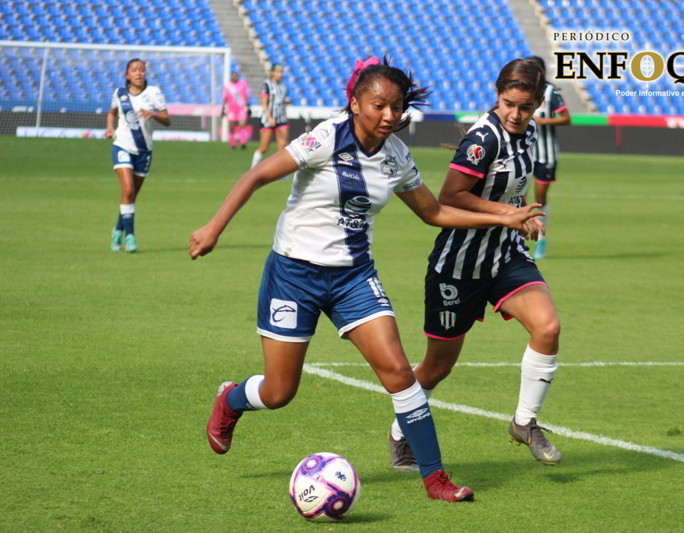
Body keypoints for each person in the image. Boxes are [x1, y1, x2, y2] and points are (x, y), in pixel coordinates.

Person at [189, 57, 543, 503]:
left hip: (354, 278)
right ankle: (232, 399)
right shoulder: (327, 137)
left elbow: (433, 213)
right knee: (280, 392)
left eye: (396, 108)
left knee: (399, 372)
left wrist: (505, 217)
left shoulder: (396, 155)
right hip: (294, 274)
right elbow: (257, 174)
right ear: (355, 103)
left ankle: (436, 481)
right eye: (379, 106)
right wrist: (213, 228)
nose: (389, 116)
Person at [386, 58, 563, 473]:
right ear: (497, 96)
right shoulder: (483, 139)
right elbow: (450, 197)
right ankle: (400, 431)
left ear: (538, 103)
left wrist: (525, 215)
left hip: (504, 256)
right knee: (437, 367)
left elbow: (514, 194)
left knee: (548, 327)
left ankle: (524, 422)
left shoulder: (530, 132)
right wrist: (507, 212)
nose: (516, 114)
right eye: (508, 104)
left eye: (525, 106)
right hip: (459, 265)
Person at [105, 58, 170, 253]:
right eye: (134, 70)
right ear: (127, 74)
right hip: (122, 145)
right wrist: (110, 129)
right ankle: (130, 237)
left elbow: (167, 119)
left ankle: (117, 229)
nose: (138, 73)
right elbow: (112, 113)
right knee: (127, 190)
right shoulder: (120, 93)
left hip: (144, 151)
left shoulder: (154, 93)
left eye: (141, 70)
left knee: (131, 195)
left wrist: (154, 114)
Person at [527, 55, 570, 259]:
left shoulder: (551, 91)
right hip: (524, 152)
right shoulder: (522, 90)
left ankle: (541, 239)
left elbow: (566, 118)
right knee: (518, 197)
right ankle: (518, 238)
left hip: (545, 154)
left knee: (540, 199)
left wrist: (542, 121)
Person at [252, 63, 291, 168]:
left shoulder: (283, 86)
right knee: (264, 147)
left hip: (281, 118)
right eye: (278, 71)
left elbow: (283, 101)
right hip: (268, 119)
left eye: (282, 71)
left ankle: (281, 169)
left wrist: (287, 102)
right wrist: (269, 117)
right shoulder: (266, 85)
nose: (280, 74)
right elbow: (264, 103)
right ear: (273, 72)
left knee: (283, 146)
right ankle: (253, 168)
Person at [223, 71, 250, 150]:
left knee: (242, 125)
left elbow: (246, 96)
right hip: (232, 109)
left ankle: (242, 141)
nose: (234, 77)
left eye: (236, 76)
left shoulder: (243, 84)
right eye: (233, 76)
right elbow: (225, 98)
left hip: (241, 108)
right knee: (232, 126)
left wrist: (248, 106)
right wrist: (224, 108)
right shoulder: (228, 86)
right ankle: (233, 142)